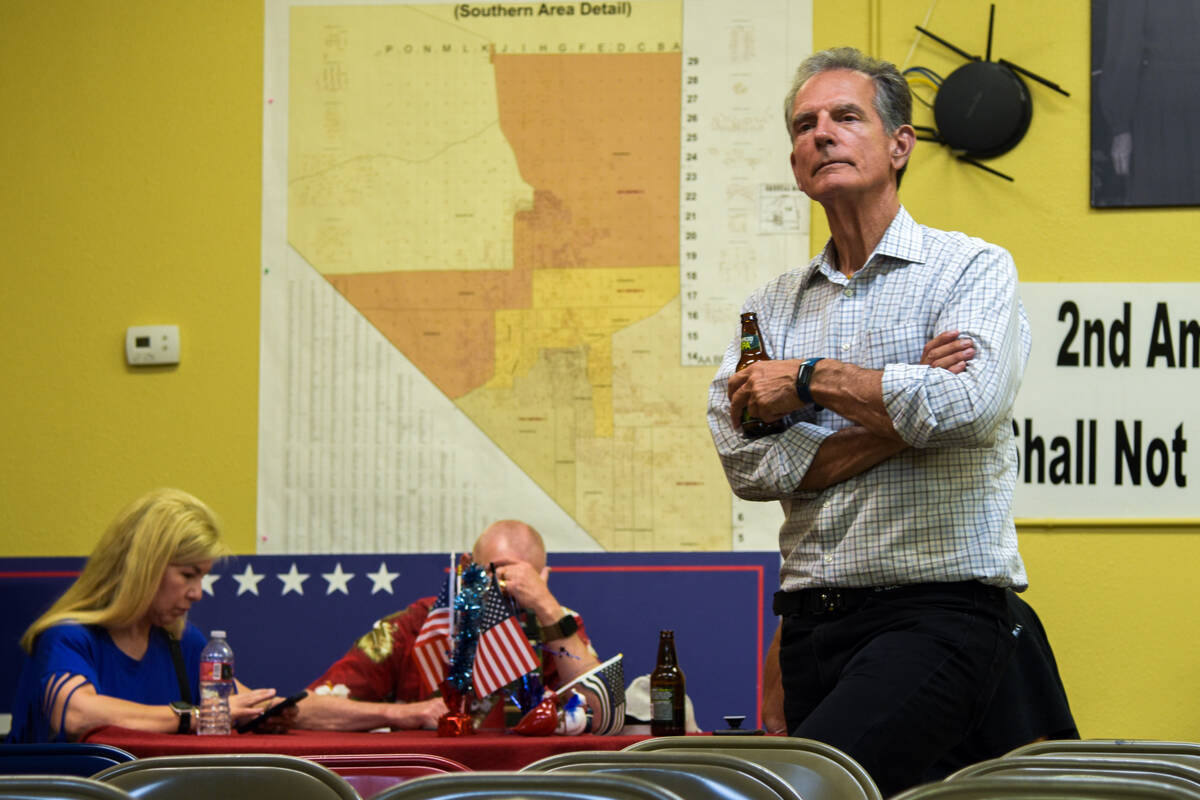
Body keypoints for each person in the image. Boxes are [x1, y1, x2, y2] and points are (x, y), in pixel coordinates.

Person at [707, 47, 1031, 796]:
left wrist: (809, 382)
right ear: (795, 164)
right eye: (803, 124)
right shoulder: (772, 306)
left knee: (796, 788)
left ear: (900, 144)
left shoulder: (970, 269)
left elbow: (971, 405)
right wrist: (901, 406)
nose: (820, 134)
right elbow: (747, 463)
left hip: (937, 613)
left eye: (845, 117)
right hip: (810, 626)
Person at [8, 488, 286, 742]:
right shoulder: (66, 637)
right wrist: (193, 716)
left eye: (201, 577)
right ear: (144, 568)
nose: (197, 593)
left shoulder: (183, 642)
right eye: (188, 575)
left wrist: (287, 710)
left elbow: (243, 702)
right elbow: (77, 714)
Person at [294, 520, 607, 731]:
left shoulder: (558, 627)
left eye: (524, 580)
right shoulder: (416, 625)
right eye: (494, 574)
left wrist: (548, 609)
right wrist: (406, 714)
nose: (506, 590)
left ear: (544, 578)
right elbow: (304, 709)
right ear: (468, 567)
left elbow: (601, 713)